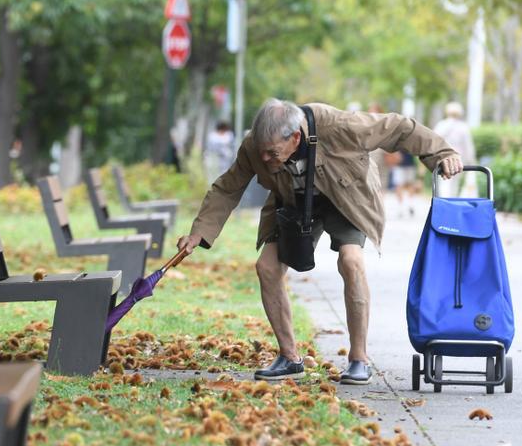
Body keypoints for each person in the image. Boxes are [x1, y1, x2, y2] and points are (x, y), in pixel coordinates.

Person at [176, 99, 462, 385]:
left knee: (351, 260)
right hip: (295, 202)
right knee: (267, 266)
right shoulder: (257, 145)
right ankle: (289, 358)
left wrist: (441, 153)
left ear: (295, 137)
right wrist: (199, 232)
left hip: (347, 198)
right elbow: (228, 187)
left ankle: (359, 360)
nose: (264, 159)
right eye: (261, 152)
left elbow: (399, 128)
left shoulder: (339, 127)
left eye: (272, 153)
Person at [431, 102, 478, 198]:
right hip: (458, 159)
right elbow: (468, 146)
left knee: (444, 182)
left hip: (443, 158)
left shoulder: (442, 125)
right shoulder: (463, 127)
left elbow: (434, 141)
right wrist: (471, 159)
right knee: (454, 183)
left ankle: (445, 202)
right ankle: (452, 201)